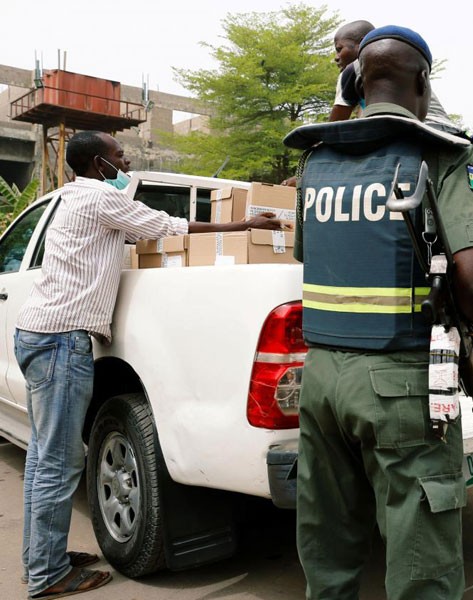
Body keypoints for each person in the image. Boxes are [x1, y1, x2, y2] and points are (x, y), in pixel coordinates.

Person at [14, 131, 282, 599]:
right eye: (119, 155)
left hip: (39, 334)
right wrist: (241, 228)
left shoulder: (74, 198)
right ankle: (47, 575)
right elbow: (167, 226)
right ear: (99, 163)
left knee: (42, 458)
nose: (126, 160)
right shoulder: (100, 198)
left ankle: (43, 558)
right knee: (58, 462)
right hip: (60, 341)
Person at [285, 26, 473, 599]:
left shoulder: (318, 159)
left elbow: (312, 258)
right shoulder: (442, 154)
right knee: (419, 555)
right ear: (423, 82)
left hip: (322, 378)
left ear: (357, 81)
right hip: (401, 383)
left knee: (327, 545)